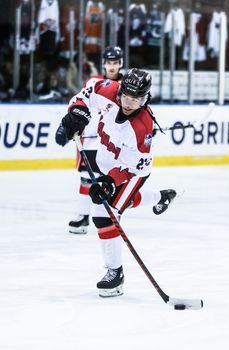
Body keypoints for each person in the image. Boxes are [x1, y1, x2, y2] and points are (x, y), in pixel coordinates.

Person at [55, 68, 176, 297]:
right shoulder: (108, 91)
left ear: (145, 98)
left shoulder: (142, 127)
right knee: (121, 203)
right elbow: (85, 94)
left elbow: (135, 166)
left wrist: (110, 182)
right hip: (105, 162)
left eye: (136, 99)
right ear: (120, 90)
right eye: (126, 96)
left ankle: (115, 273)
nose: (129, 103)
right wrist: (76, 112)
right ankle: (162, 196)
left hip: (131, 172)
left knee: (103, 214)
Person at [56, 46, 124, 234]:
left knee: (112, 179)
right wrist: (69, 125)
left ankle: (113, 214)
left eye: (115, 63)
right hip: (92, 139)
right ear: (103, 64)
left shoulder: (127, 85)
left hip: (114, 142)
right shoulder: (93, 82)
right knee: (87, 178)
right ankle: (84, 216)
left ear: (121, 64)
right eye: (109, 62)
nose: (112, 66)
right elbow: (81, 105)